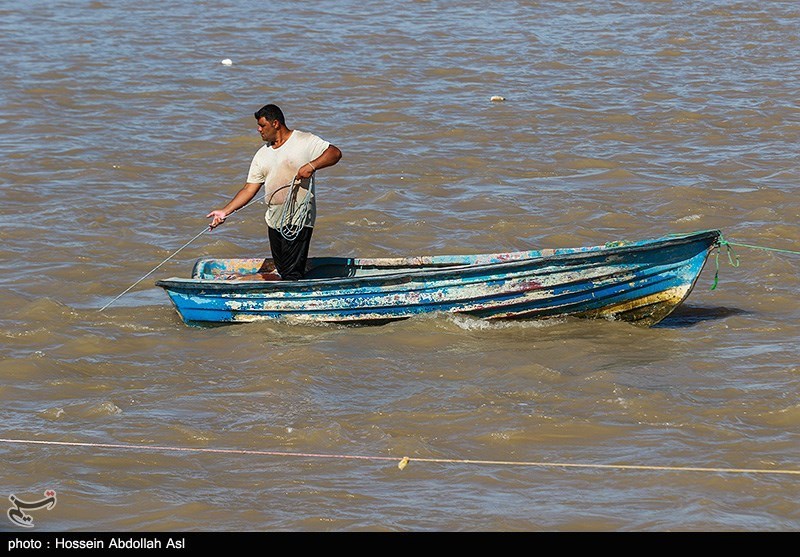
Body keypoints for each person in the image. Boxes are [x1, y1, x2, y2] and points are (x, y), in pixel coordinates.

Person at [207, 104, 342, 280]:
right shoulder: (262, 155)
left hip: (298, 217)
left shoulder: (303, 140)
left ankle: (292, 294)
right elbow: (249, 189)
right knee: (283, 269)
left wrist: (311, 165)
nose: (259, 129)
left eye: (262, 125)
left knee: (291, 273)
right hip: (274, 220)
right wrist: (225, 211)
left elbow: (334, 153)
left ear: (276, 123)